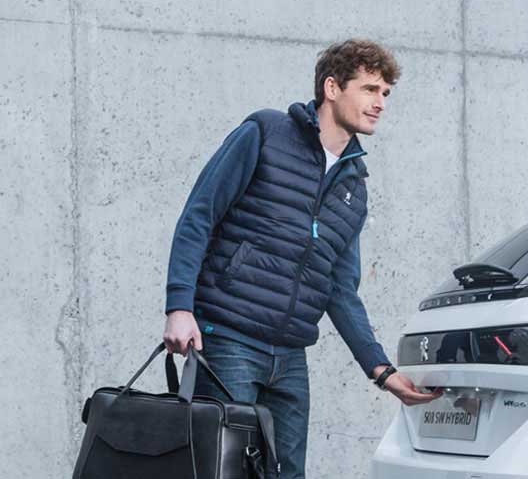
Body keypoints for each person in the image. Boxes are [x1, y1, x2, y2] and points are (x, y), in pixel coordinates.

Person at [161, 38, 442, 478]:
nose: (380, 103)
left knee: (287, 474)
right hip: (231, 339)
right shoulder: (266, 134)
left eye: (385, 93)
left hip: (290, 356)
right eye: (370, 89)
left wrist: (381, 369)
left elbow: (340, 289)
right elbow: (200, 215)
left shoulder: (354, 187)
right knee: (222, 469)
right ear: (332, 88)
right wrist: (179, 307)